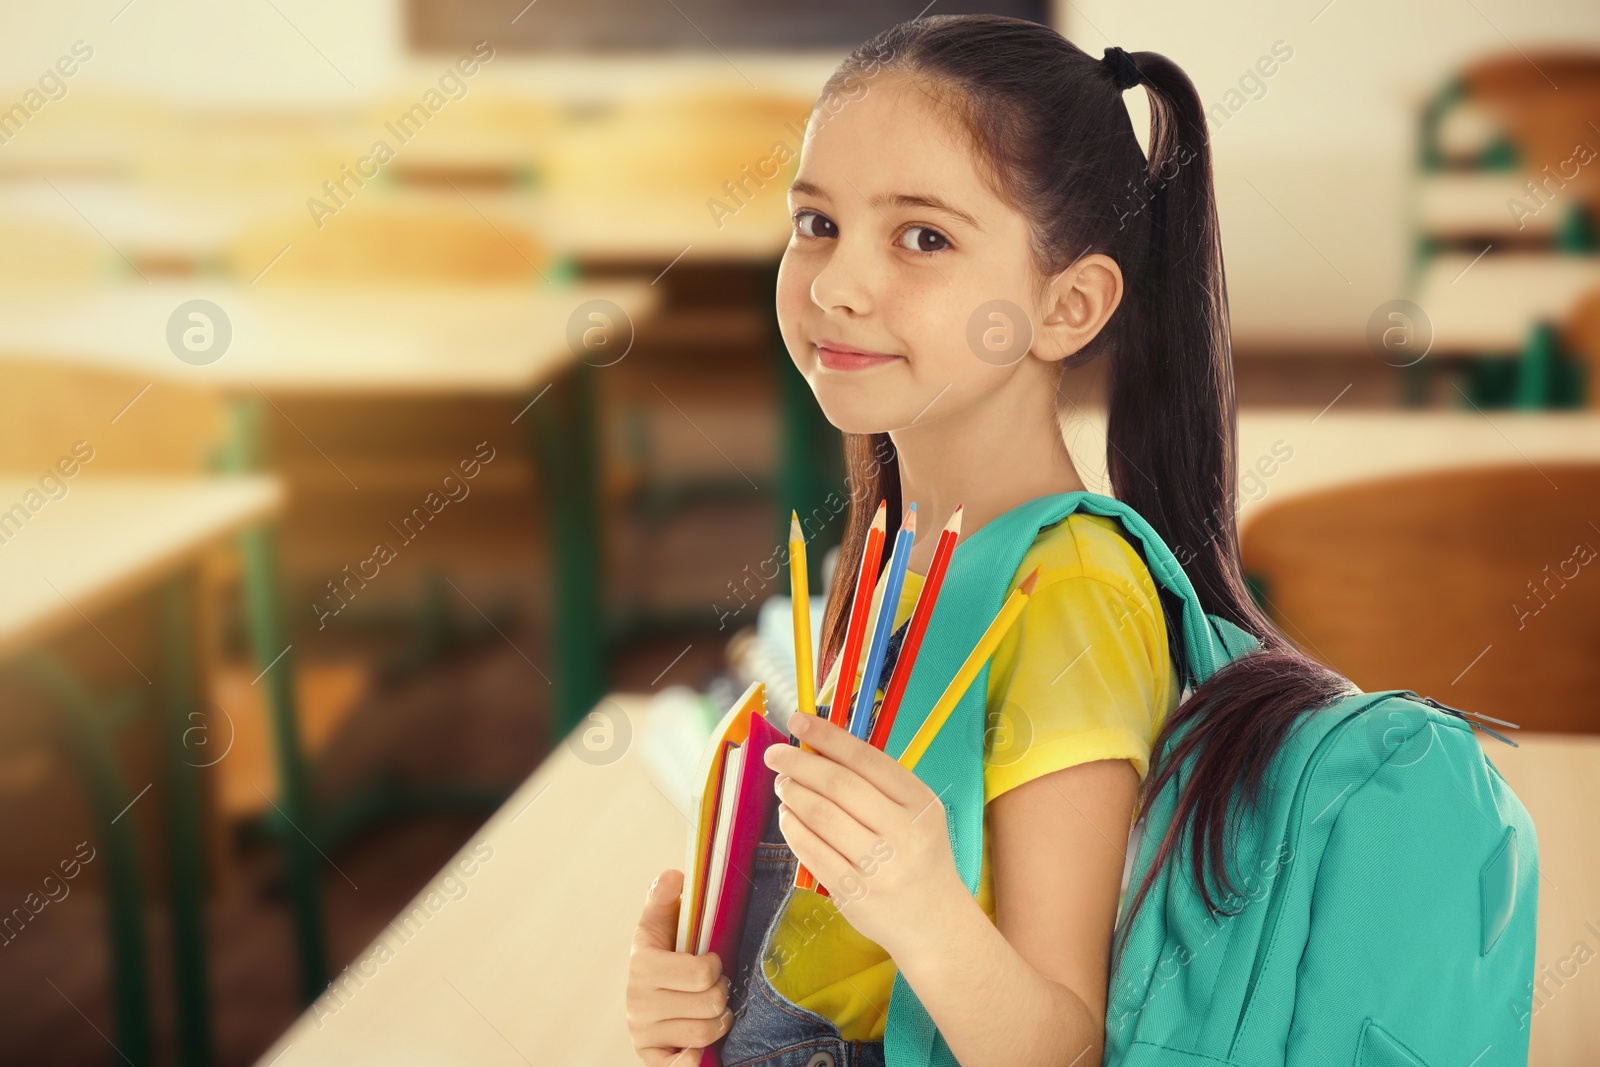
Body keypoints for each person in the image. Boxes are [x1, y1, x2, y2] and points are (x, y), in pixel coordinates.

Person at [627, 14, 1350, 1067]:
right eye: (816, 222)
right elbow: (852, 946)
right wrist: (703, 978)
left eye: (922, 236)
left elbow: (1063, 1043)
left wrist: (916, 904)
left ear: (1066, 306)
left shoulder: (1070, 596)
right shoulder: (891, 549)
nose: (836, 282)